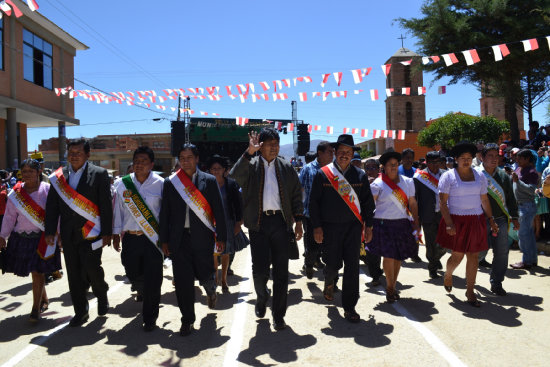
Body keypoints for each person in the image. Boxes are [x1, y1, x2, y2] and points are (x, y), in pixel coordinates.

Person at [230, 128, 303, 331]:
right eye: (270, 144)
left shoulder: (286, 167)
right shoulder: (251, 165)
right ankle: (262, 297)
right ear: (260, 146)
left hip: (280, 224)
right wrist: (248, 152)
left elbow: (297, 194)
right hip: (258, 225)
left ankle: (278, 315)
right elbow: (234, 177)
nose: (274, 147)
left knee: (281, 272)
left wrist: (298, 221)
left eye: (276, 143)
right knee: (260, 271)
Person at [159, 144, 227, 336]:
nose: (186, 161)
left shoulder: (209, 181)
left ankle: (211, 288)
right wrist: (164, 240)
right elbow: (165, 214)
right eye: (182, 157)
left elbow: (219, 211)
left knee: (205, 272)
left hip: (203, 238)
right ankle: (187, 319)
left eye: (189, 157)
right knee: (182, 281)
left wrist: (221, 237)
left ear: (197, 159)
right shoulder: (171, 182)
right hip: (179, 239)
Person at [45, 138, 112, 327]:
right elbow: (52, 206)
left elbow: (105, 205)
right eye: (71, 153)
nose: (74, 156)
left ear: (88, 155)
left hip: (92, 232)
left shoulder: (99, 174)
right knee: (73, 273)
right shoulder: (58, 177)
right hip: (68, 234)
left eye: (78, 153)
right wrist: (50, 230)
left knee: (92, 268)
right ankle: (80, 311)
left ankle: (101, 293)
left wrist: (107, 232)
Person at [309, 134, 375, 322]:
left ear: (353, 154)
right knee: (332, 264)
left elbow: (368, 204)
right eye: (341, 152)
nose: (344, 155)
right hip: (329, 229)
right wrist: (317, 227)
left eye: (348, 152)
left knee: (352, 267)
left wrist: (369, 226)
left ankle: (350, 306)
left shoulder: (360, 175)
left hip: (353, 228)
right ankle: (329, 282)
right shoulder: (323, 174)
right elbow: (313, 203)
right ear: (335, 153)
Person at [437, 142, 498, 307]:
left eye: (469, 158)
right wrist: (449, 223)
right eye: (462, 158)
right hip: (456, 220)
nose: (466, 161)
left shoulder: (480, 176)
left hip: (476, 220)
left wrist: (491, 219)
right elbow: (443, 203)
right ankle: (448, 274)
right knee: (457, 255)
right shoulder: (448, 176)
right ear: (456, 159)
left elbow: (484, 199)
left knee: (473, 255)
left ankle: (470, 291)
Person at [0, 159, 61, 322]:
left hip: (42, 238)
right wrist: (2, 236)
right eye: (24, 171)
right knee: (35, 272)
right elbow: (9, 217)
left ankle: (35, 309)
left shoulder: (48, 190)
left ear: (39, 172)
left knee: (38, 273)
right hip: (22, 238)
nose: (27, 174)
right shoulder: (15, 194)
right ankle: (44, 298)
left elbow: (56, 214)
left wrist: (59, 234)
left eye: (31, 171)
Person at [112, 146, 164, 332]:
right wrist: (116, 234)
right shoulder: (122, 183)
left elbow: (165, 214)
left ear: (151, 164)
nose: (139, 165)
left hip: (152, 240)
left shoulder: (160, 184)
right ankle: (141, 287)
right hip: (130, 239)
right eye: (137, 161)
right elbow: (117, 211)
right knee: (131, 271)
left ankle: (150, 318)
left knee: (154, 279)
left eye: (144, 161)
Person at [367, 150, 419, 302]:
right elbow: (370, 206)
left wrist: (416, 222)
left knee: (398, 258)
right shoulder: (377, 184)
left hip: (402, 224)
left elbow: (412, 202)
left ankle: (393, 285)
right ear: (383, 167)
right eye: (390, 165)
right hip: (383, 224)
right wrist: (367, 226)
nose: (393, 168)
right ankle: (390, 288)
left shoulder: (407, 182)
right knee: (389, 256)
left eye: (395, 165)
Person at [477, 143, 520, 296]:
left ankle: (497, 283)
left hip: (500, 219)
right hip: (480, 220)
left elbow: (510, 198)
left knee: (501, 252)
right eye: (490, 156)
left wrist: (514, 217)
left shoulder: (503, 175)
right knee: (479, 251)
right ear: (482, 157)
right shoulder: (475, 174)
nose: (494, 159)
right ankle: (471, 276)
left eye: (497, 156)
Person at [206, 155, 245, 293]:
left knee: (225, 252)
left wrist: (239, 223)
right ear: (209, 170)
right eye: (213, 169)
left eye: (219, 168)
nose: (216, 171)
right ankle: (216, 279)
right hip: (210, 223)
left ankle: (224, 280)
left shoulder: (231, 184)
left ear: (224, 170)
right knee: (214, 252)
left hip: (228, 222)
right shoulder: (205, 184)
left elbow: (238, 204)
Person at [299, 141, 333, 279]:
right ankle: (309, 263)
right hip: (310, 214)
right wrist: (299, 214)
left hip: (330, 216)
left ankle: (330, 281)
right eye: (329, 152)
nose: (333, 155)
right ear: (320, 153)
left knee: (330, 248)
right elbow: (300, 191)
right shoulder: (307, 169)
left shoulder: (334, 170)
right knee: (312, 246)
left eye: (333, 152)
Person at [414, 151, 446, 279]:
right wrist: (417, 218)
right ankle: (432, 267)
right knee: (431, 243)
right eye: (432, 162)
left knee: (444, 244)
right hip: (427, 214)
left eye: (437, 162)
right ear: (427, 162)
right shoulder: (420, 177)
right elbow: (415, 198)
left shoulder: (446, 175)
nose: (435, 165)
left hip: (444, 214)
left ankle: (436, 257)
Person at [510, 149, 540, 269]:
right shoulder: (519, 169)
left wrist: (518, 181)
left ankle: (527, 261)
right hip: (521, 205)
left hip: (526, 206)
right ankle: (532, 260)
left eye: (520, 158)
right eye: (517, 158)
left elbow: (531, 190)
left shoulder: (532, 172)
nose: (517, 160)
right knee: (528, 235)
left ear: (527, 159)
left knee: (523, 235)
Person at [362, 158, 383, 285]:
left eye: (373, 168)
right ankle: (375, 275)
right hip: (367, 219)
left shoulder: (384, 182)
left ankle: (378, 270)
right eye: (368, 168)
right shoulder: (361, 181)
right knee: (371, 247)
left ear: (379, 169)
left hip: (383, 219)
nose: (370, 171)